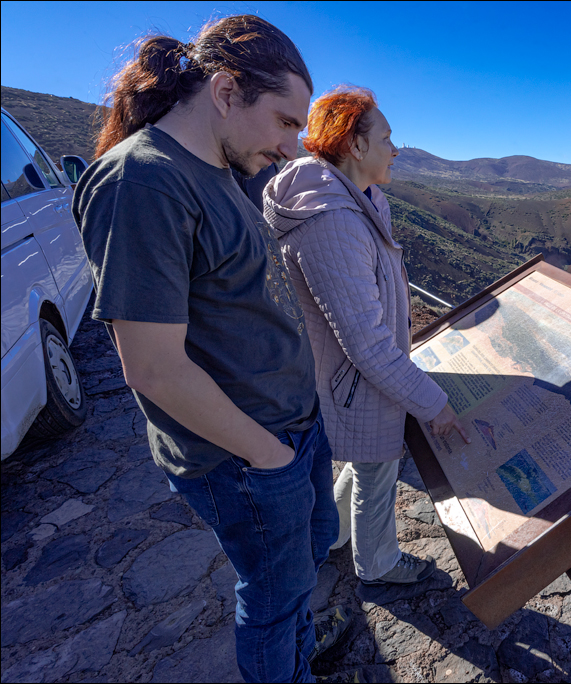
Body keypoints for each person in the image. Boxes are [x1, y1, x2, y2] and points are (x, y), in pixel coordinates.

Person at [73, 16, 345, 682]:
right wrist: (268, 455)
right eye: (285, 122)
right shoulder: (142, 181)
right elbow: (153, 368)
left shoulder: (222, 169)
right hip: (246, 455)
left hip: (290, 430)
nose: (292, 147)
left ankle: (300, 657)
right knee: (274, 600)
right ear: (225, 92)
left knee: (301, 571)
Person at [264, 86, 470, 586]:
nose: (395, 149)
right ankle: (377, 562)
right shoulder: (333, 221)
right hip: (354, 381)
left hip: (351, 376)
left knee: (367, 463)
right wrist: (434, 404)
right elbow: (368, 345)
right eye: (386, 138)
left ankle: (333, 534)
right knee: (377, 469)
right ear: (355, 146)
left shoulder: (358, 201)